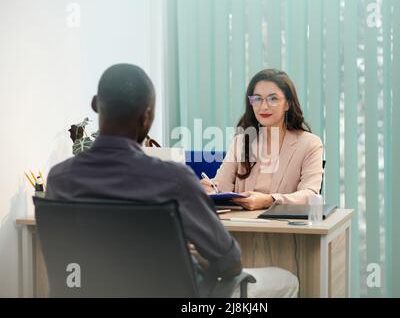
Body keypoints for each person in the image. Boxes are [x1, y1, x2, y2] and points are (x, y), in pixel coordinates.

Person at [46, 64, 298, 298]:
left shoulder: (59, 179)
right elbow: (230, 263)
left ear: (96, 105)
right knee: (287, 280)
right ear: (147, 117)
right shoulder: (173, 179)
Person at [201, 69, 324, 211]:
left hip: (285, 227)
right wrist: (209, 189)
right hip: (243, 225)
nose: (264, 106)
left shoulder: (309, 144)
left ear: (288, 104)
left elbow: (310, 195)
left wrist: (269, 200)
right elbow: (221, 186)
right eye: (257, 99)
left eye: (273, 99)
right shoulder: (241, 142)